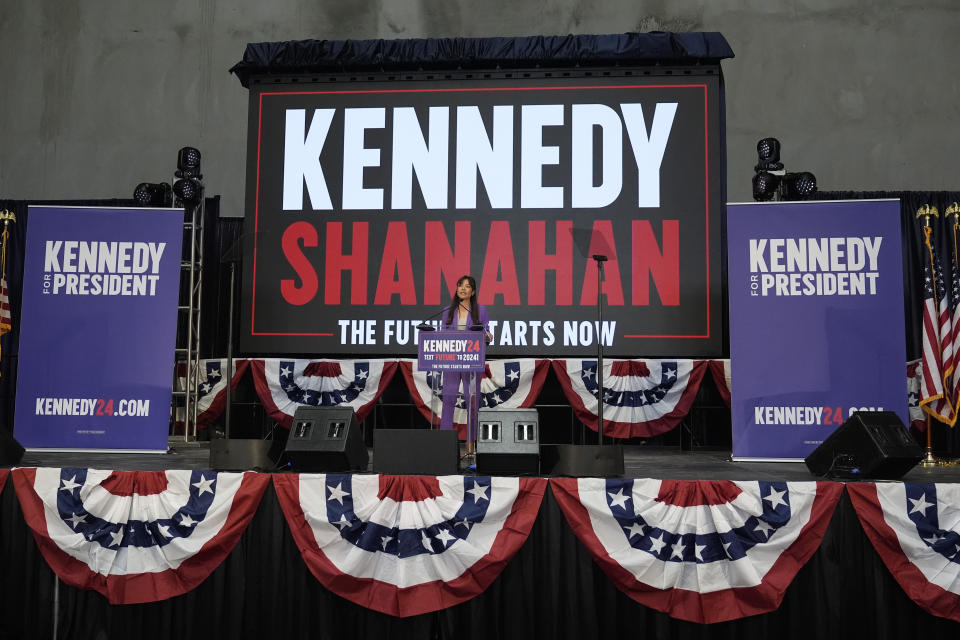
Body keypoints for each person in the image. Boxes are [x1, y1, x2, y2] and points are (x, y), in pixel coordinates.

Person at [439, 275, 492, 459]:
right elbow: (443, 335)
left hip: (472, 360)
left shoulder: (481, 310)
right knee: (448, 400)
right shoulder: (448, 310)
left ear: (473, 291)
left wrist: (487, 335)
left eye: (467, 286)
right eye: (460, 285)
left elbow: (485, 330)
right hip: (452, 361)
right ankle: (444, 444)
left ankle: (471, 445)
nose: (463, 288)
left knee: (472, 402)